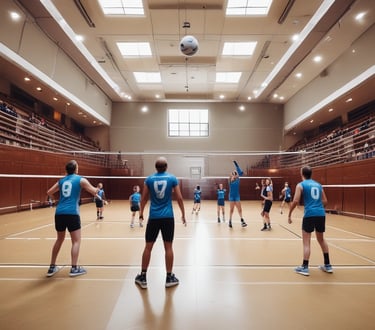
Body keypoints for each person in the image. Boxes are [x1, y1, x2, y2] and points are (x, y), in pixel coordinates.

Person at [135, 157, 186, 289]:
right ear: (166, 166)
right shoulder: (172, 178)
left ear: (155, 167)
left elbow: (144, 198)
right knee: (168, 248)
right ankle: (169, 278)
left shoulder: (149, 179)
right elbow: (179, 197)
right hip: (168, 217)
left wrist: (141, 213)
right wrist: (183, 214)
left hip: (154, 217)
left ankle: (143, 277)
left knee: (148, 247)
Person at [46, 160, 100, 277]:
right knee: (76, 241)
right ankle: (74, 268)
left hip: (59, 213)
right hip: (72, 213)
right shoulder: (81, 179)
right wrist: (98, 189)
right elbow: (93, 191)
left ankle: (51, 267)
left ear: (66, 170)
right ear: (76, 169)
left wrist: (55, 201)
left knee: (59, 239)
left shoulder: (61, 181)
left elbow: (49, 192)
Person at [288, 165, 333, 276]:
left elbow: (295, 201)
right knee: (321, 239)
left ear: (302, 174)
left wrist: (289, 214)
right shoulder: (318, 185)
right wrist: (318, 206)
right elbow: (325, 201)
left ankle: (305, 267)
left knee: (306, 242)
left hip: (309, 215)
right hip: (321, 214)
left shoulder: (301, 185)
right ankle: (328, 265)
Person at [228, 160, 247, 228]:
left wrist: (236, 164)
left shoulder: (238, 179)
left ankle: (242, 220)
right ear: (231, 175)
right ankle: (230, 221)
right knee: (231, 210)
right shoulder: (229, 181)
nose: (235, 175)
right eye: (234, 174)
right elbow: (231, 176)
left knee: (240, 209)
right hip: (231, 196)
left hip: (237, 196)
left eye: (236, 174)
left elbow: (240, 172)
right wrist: (232, 175)